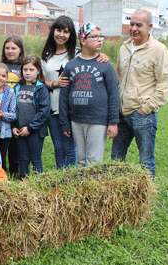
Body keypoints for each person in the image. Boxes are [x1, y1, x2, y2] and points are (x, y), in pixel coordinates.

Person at [41, 16, 109, 170]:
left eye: (66, 31)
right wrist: (54, 83)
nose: (61, 35)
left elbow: (95, 60)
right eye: (58, 30)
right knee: (58, 148)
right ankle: (61, 178)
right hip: (53, 108)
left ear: (71, 35)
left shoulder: (78, 53)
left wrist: (104, 56)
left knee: (71, 149)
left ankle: (72, 178)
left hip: (74, 109)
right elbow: (39, 81)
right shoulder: (46, 56)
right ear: (53, 31)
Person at [111, 9, 168, 178]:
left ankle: (147, 199)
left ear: (150, 27)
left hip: (143, 116)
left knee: (146, 161)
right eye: (131, 24)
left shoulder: (159, 50)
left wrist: (145, 109)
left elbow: (164, 86)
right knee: (115, 159)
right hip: (122, 114)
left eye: (139, 24)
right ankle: (117, 196)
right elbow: (118, 78)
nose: (134, 28)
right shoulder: (124, 48)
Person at [59, 22, 120, 167]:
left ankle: (94, 188)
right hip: (76, 119)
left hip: (98, 119)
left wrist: (113, 122)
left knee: (93, 160)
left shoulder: (105, 65)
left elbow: (113, 94)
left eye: (101, 36)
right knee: (81, 159)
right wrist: (64, 121)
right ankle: (82, 189)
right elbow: (64, 95)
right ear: (83, 39)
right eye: (95, 36)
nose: (100, 39)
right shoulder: (71, 65)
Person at [12, 55, 50, 178]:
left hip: (35, 131)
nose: (28, 73)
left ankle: (38, 182)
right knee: (22, 158)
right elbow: (12, 108)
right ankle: (23, 182)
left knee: (35, 158)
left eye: (31, 70)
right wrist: (14, 126)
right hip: (20, 130)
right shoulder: (17, 87)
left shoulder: (41, 88)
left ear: (38, 71)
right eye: (25, 69)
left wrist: (30, 128)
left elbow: (44, 111)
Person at [0, 34, 25, 176]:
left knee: (17, 141)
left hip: (20, 108)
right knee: (4, 139)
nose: (10, 51)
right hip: (3, 109)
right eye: (7, 48)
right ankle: (1, 169)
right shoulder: (0, 65)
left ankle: (16, 170)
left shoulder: (24, 66)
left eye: (13, 48)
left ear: (20, 49)